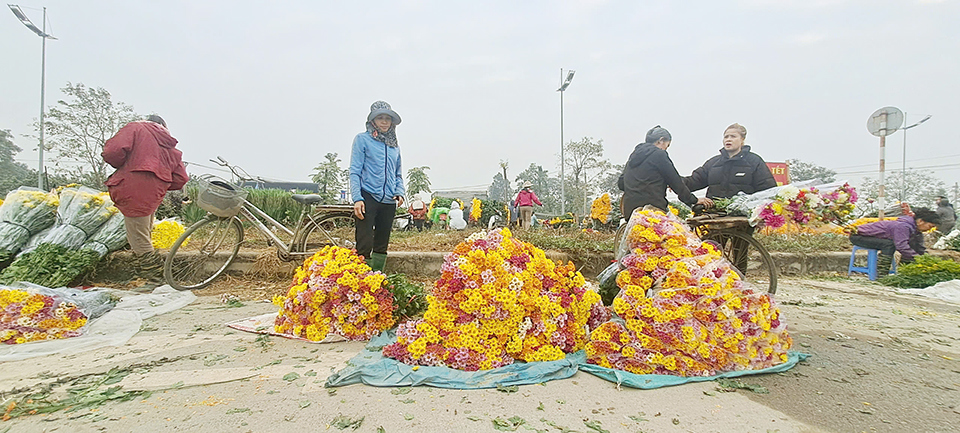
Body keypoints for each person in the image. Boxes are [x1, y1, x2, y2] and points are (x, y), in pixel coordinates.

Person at [102, 114, 188, 283]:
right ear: (163, 126)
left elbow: (111, 151)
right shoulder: (169, 144)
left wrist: (124, 164)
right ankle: (151, 274)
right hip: (153, 192)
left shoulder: (136, 128)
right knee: (144, 232)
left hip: (133, 186)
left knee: (138, 237)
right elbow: (180, 178)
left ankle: (155, 279)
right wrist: (159, 181)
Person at [349, 101, 405, 272]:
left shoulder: (394, 146)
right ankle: (361, 280)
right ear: (372, 121)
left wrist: (399, 191)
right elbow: (355, 170)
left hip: (388, 199)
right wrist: (357, 198)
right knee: (364, 242)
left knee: (382, 243)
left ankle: (377, 280)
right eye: (380, 118)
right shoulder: (362, 140)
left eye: (388, 118)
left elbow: (398, 173)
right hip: (368, 197)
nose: (384, 122)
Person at [618, 125, 706, 218]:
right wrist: (693, 200)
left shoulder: (633, 157)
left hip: (630, 212)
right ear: (661, 140)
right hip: (652, 211)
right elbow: (675, 181)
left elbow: (621, 183)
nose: (666, 149)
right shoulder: (659, 154)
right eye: (667, 145)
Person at [683, 123, 777, 205]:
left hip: (743, 217)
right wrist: (675, 181)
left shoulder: (754, 161)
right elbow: (694, 181)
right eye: (726, 137)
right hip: (714, 214)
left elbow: (768, 191)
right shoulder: (713, 163)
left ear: (742, 140)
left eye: (733, 136)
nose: (728, 139)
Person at [849, 207, 941, 275]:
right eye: (930, 226)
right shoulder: (902, 226)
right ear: (921, 221)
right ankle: (881, 274)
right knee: (889, 245)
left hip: (877, 238)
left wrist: (927, 259)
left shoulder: (916, 231)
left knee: (912, 244)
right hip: (858, 236)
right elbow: (901, 246)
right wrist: (917, 257)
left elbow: (920, 248)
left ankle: (906, 272)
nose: (929, 229)